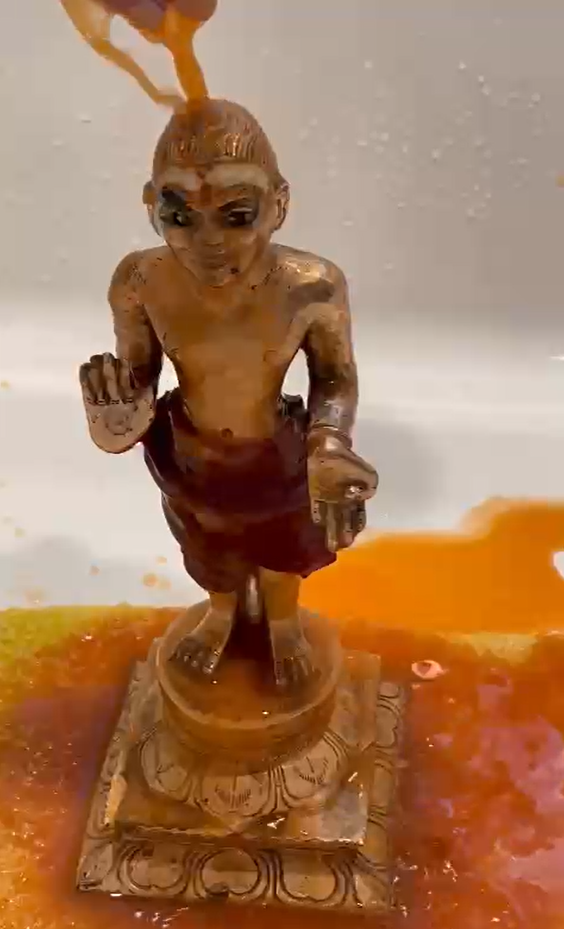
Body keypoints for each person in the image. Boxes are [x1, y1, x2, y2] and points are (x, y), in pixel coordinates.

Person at [79, 99, 377, 689]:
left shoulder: (311, 286)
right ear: (151, 205)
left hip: (276, 451)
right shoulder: (140, 280)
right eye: (179, 215)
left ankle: (284, 622)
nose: (206, 241)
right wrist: (118, 418)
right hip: (189, 451)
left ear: (280, 205)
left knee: (284, 546)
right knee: (207, 546)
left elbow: (335, 377)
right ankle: (221, 612)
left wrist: (328, 442)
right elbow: (139, 375)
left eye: (236, 215)